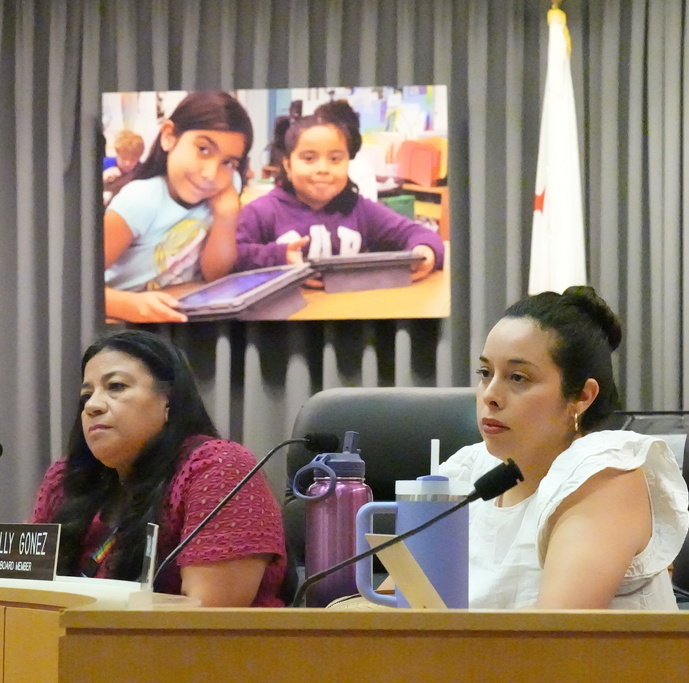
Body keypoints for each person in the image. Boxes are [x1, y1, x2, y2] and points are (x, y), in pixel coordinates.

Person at [438, 286, 689, 609]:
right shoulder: (468, 470)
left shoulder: (603, 474)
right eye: (486, 373)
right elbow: (397, 606)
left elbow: (553, 643)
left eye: (518, 377)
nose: (490, 395)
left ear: (581, 397)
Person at [31, 330, 287, 607]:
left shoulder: (219, 467)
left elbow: (208, 617)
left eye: (116, 386)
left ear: (168, 400)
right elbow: (22, 589)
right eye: (86, 395)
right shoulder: (65, 481)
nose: (92, 405)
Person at [232, 99, 444, 280]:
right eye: (309, 158)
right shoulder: (263, 211)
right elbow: (230, 257)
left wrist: (425, 251)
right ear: (287, 165)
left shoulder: (361, 209)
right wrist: (279, 257)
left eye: (335, 159)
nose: (323, 169)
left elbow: (418, 233)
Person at [104, 91, 254, 323]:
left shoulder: (226, 186)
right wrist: (126, 305)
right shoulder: (142, 199)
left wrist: (226, 216)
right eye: (203, 149)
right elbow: (73, 287)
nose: (210, 174)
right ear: (168, 137)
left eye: (228, 162)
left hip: (179, 310)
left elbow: (215, 275)